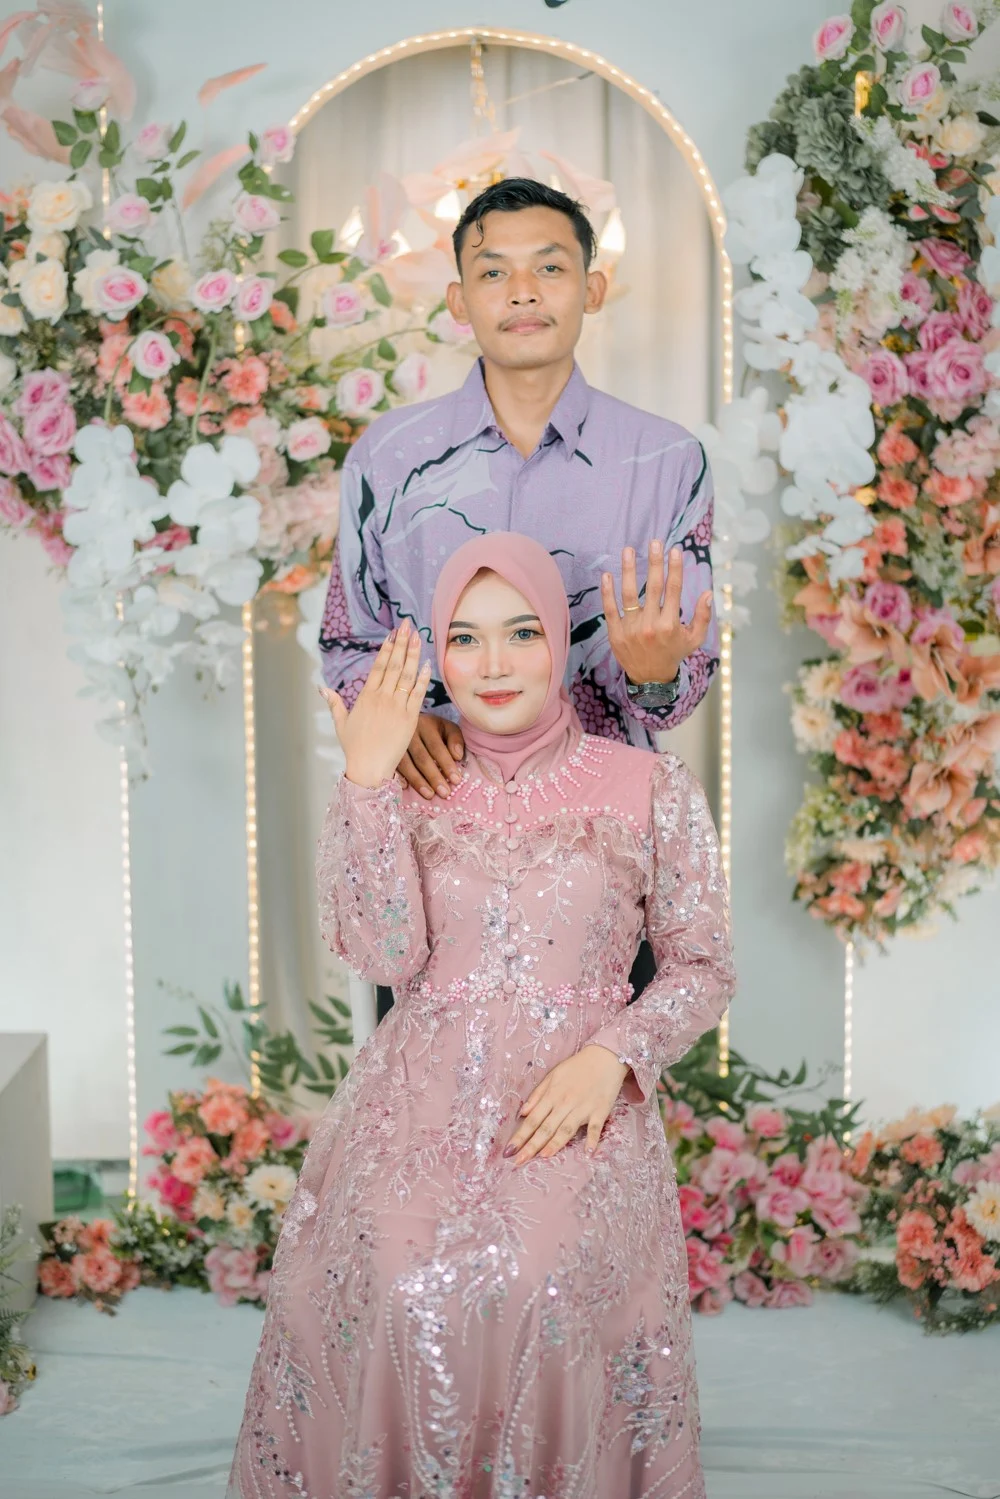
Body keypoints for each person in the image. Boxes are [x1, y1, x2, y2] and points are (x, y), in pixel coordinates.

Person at [229, 533, 735, 1499]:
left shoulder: (648, 785)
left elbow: (704, 965)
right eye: (464, 638)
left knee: (539, 1283)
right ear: (437, 655)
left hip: (571, 1104)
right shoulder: (406, 779)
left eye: (521, 633)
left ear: (560, 642)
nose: (493, 663)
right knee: (391, 1281)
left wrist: (614, 1055)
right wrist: (365, 782)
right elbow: (381, 955)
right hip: (416, 1104)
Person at [320, 176, 719, 1016]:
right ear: (458, 300)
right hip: (433, 855)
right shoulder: (389, 458)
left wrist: (652, 674)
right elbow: (348, 644)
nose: (523, 291)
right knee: (427, 1078)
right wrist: (400, 720)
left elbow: (682, 685)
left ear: (593, 288)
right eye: (494, 272)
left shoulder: (665, 461)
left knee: (600, 1082)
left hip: (602, 866)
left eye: (550, 266)